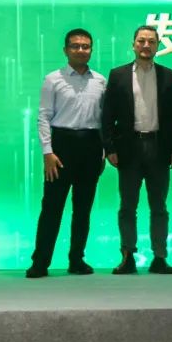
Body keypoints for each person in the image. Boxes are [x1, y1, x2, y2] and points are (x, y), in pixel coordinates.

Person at [101, 25, 172, 274]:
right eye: (141, 41)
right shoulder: (118, 74)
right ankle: (128, 257)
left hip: (159, 147)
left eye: (151, 41)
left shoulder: (169, 75)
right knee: (128, 206)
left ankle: (160, 257)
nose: (146, 45)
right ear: (133, 44)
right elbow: (107, 115)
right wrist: (109, 147)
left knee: (159, 207)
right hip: (128, 148)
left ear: (158, 45)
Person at [27, 28, 106, 278]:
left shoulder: (101, 81)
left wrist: (104, 151)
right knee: (52, 207)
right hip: (61, 148)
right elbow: (43, 117)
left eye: (86, 46)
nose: (81, 50)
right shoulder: (53, 79)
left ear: (91, 50)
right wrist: (47, 152)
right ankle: (40, 262)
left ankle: (77, 259)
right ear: (66, 50)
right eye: (75, 46)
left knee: (83, 209)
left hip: (91, 147)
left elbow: (104, 120)